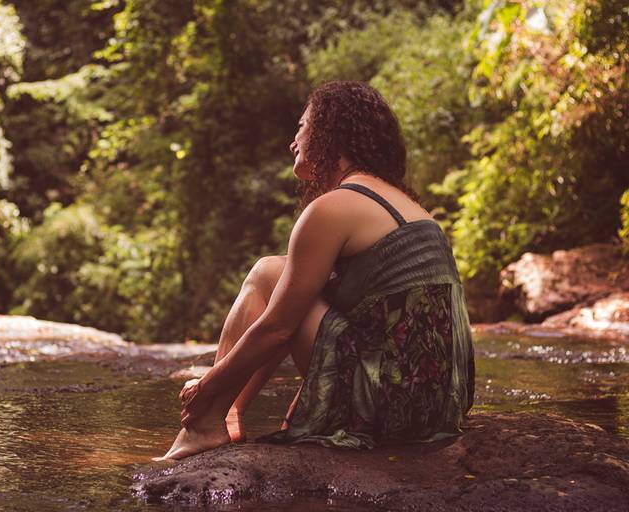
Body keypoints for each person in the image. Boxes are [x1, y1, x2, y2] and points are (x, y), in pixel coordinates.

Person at [153, 80, 475, 461]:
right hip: (442, 406)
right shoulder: (406, 207)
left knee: (267, 273)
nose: (294, 142)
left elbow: (278, 329)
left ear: (329, 133)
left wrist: (208, 384)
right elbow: (364, 325)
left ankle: (208, 420)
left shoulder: (334, 208)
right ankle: (228, 414)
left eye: (302, 127)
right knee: (290, 281)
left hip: (388, 410)